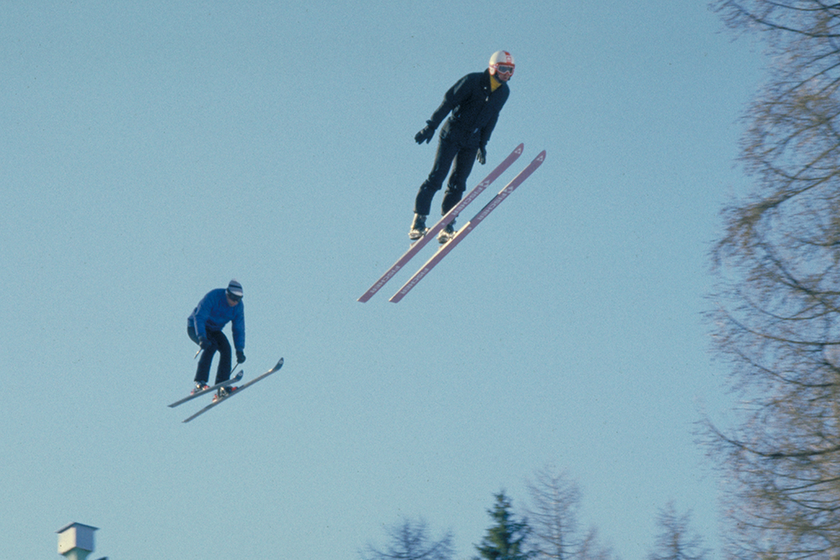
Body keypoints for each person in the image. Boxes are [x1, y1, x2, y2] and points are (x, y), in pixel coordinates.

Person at [410, 50, 515, 243]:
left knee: (458, 183)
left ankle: (447, 225)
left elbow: (492, 118)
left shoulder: (503, 93)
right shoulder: (472, 81)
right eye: (503, 69)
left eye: (510, 71)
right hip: (453, 133)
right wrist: (431, 126)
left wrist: (483, 144)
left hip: (472, 140)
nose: (506, 74)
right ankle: (419, 220)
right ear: (493, 68)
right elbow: (449, 101)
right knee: (437, 177)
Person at [187, 279, 246, 401]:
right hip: (196, 327)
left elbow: (238, 328)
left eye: (238, 299)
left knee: (226, 349)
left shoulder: (238, 307)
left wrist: (239, 350)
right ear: (227, 294)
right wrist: (202, 337)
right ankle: (199, 382)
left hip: (214, 330)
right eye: (233, 298)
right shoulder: (214, 296)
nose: (235, 302)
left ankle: (222, 386)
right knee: (211, 346)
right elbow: (200, 316)